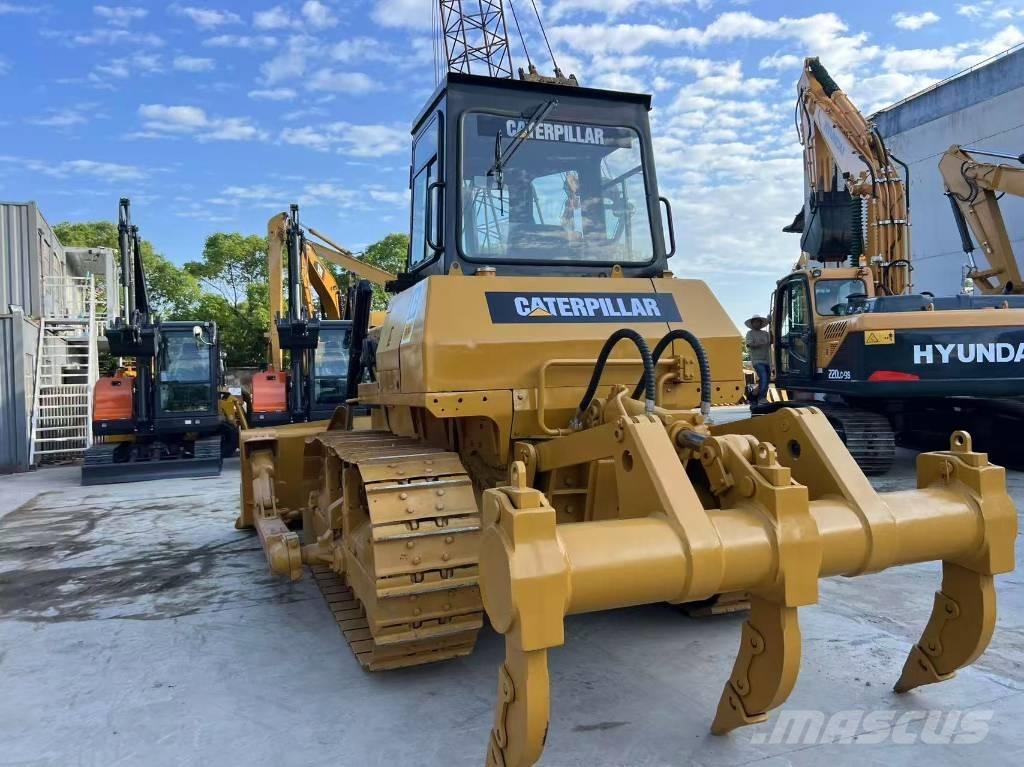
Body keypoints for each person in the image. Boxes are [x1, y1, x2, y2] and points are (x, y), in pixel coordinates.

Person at [745, 315, 771, 404]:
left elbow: (772, 340)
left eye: (759, 321)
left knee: (767, 380)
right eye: (755, 322)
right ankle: (761, 398)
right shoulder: (750, 333)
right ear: (752, 324)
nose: (757, 323)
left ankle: (753, 395)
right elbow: (749, 344)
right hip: (757, 361)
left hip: (767, 360)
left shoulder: (765, 333)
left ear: (761, 323)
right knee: (763, 377)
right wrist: (760, 343)